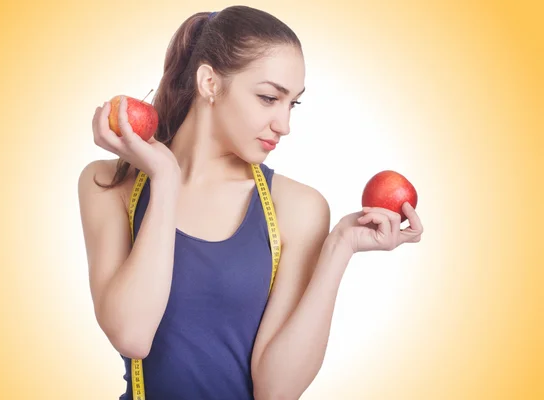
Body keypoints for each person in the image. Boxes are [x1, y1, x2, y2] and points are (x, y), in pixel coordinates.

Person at [78, 5, 423, 400]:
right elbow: (132, 336)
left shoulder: (297, 209)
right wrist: (166, 179)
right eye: (268, 98)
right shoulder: (109, 184)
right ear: (209, 82)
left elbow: (275, 391)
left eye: (291, 104)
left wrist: (340, 246)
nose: (285, 125)